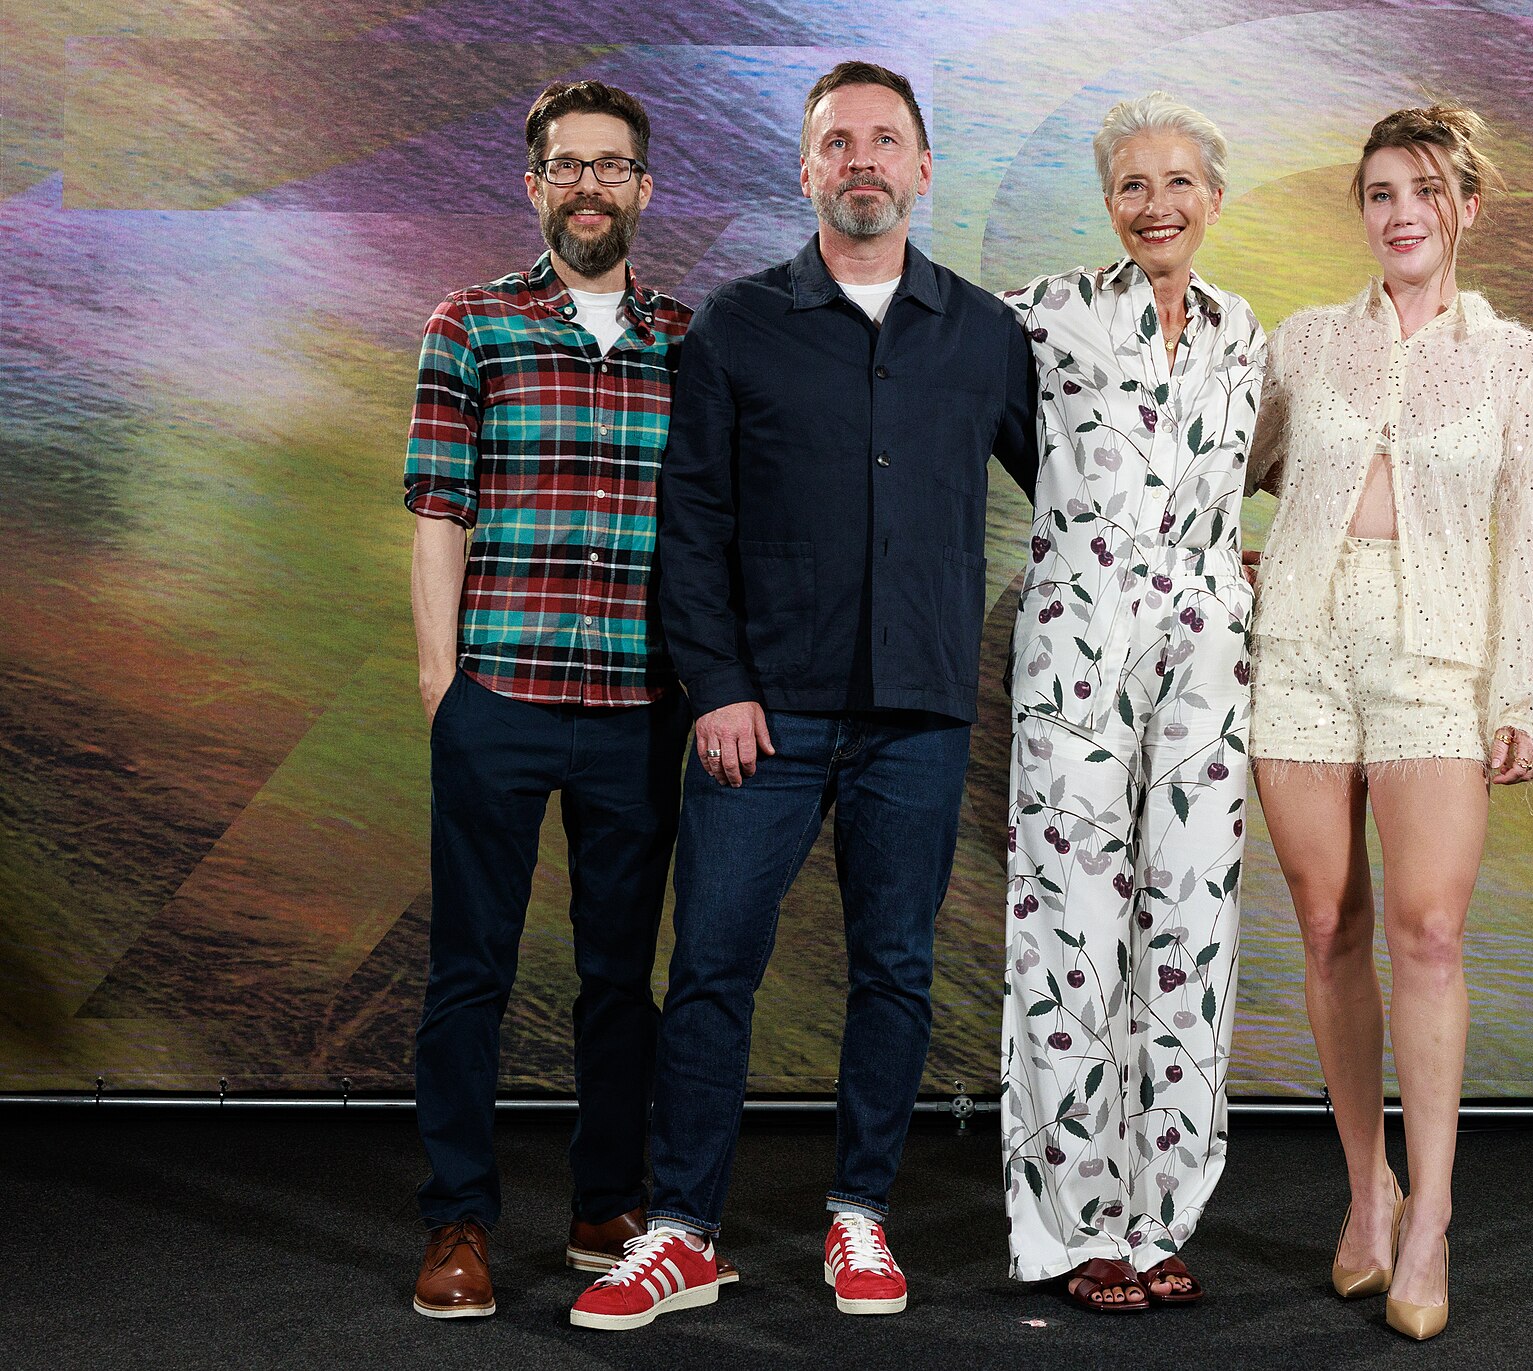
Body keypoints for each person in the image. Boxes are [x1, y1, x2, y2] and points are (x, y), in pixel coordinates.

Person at [566, 60, 1039, 1332]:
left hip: (920, 710)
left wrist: (1207, 552)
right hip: (759, 716)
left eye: (888, 141)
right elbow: (692, 520)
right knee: (714, 960)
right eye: (839, 142)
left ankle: (860, 1217)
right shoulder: (736, 325)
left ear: (925, 168)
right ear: (808, 168)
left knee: (894, 967)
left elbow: (1090, 494)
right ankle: (681, 1232)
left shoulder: (987, 335)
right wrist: (714, 686)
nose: (864, 161)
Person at [401, 78, 743, 1319]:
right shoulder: (472, 323)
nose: (590, 185)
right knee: (471, 971)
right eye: (568, 165)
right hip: (499, 690)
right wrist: (445, 685)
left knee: (618, 975)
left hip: (638, 709)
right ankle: (457, 1222)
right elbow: (439, 510)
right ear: (534, 183)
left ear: (644, 191)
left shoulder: (689, 339)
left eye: (613, 167)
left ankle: (607, 1200)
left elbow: (711, 528)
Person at [1243, 104, 1533, 1340]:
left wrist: (1527, 696)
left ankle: (1431, 1213)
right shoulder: (1305, 343)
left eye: (1425, 191)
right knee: (1330, 922)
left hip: (1440, 661)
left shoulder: (1515, 364)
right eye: (1381, 193)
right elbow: (1238, 471)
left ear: (1467, 209)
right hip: (1302, 659)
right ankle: (1364, 1197)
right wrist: (1225, 566)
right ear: (1363, 211)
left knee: (1429, 932)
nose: (1401, 214)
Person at [999, 92, 1266, 1313]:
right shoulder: (1044, 315)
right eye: (1131, 187)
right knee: (1071, 929)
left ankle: (1163, 1217)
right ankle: (1073, 1225)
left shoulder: (1247, 331)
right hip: (1076, 648)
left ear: (1213, 197)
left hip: (1210, 661)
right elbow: (930, 394)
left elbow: (1271, 472)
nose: (1155, 206)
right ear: (1109, 204)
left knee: (1192, 927)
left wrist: (1238, 567)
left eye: (1177, 184)